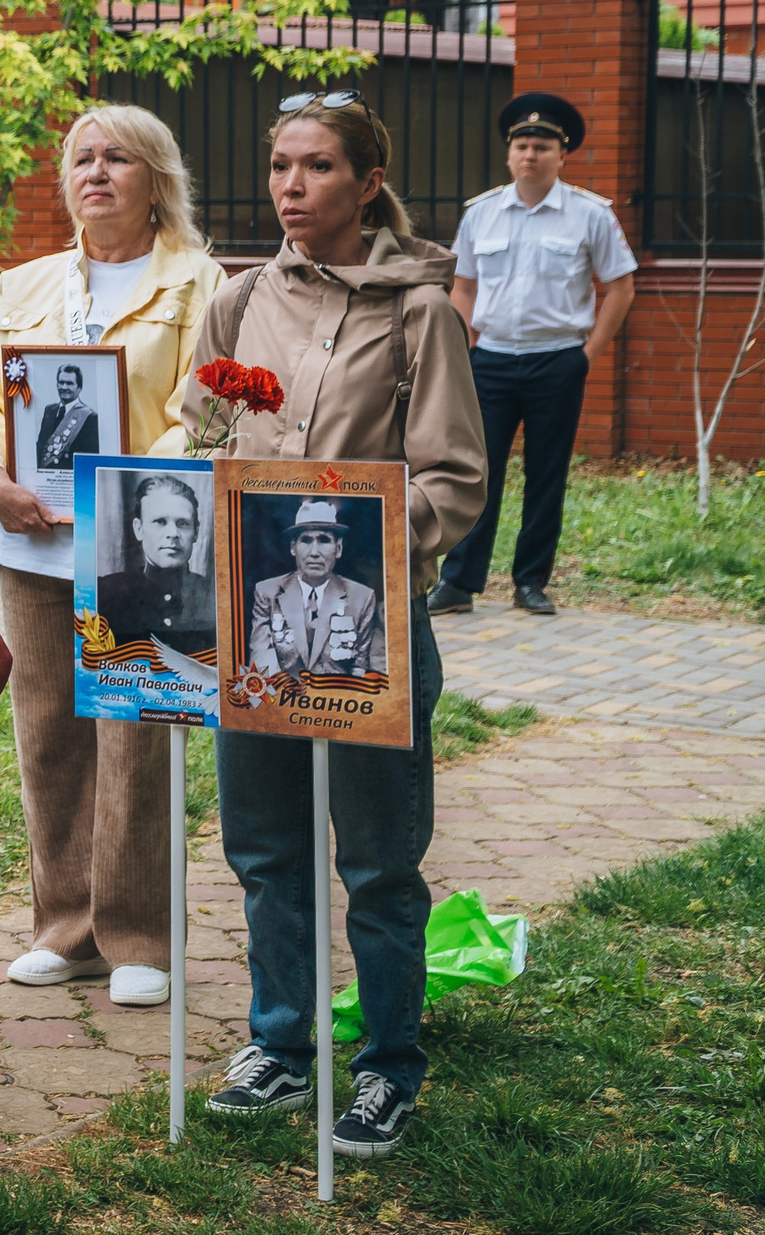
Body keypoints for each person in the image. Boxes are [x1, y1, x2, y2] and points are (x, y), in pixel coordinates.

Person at [185, 92, 486, 1160]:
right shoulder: (238, 299)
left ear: (366, 182)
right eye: (278, 167)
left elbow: (452, 479)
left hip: (371, 631)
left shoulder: (419, 310)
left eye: (314, 168)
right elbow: (203, 427)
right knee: (265, 850)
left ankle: (386, 1068)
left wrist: (363, 537)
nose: (289, 188)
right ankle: (280, 1043)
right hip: (258, 627)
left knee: (376, 863)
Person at [0, 104, 224, 1009]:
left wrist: (135, 496)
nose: (95, 172)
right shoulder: (23, 285)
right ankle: (65, 929)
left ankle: (139, 935)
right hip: (31, 537)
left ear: (155, 178)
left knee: (137, 731)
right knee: (50, 731)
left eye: (117, 159)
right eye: (81, 159)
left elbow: (206, 411)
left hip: (143, 538)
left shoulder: (200, 284)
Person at [429, 93, 636, 618]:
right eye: (521, 145)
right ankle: (459, 582)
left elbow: (621, 287)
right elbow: (465, 286)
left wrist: (586, 355)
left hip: (557, 361)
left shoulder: (590, 215)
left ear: (561, 155)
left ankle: (530, 582)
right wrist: (466, 345)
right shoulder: (482, 213)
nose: (530, 155)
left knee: (547, 474)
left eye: (542, 146)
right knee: (477, 473)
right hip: (491, 361)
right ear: (508, 153)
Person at [248, 500, 386, 677]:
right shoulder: (268, 592)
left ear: (338, 548)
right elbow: (262, 662)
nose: (314, 552)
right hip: (285, 697)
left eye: (323, 540)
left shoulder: (361, 597)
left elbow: (362, 667)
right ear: (293, 548)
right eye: (306, 540)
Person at [95, 475, 216, 657]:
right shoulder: (104, 593)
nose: (173, 534)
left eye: (183, 524)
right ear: (138, 529)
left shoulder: (215, 597)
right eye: (160, 522)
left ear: (196, 533)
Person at [35, 365, 99, 470]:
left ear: (79, 388)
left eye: (69, 383)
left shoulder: (90, 417)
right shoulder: (49, 410)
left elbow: (88, 458)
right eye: (61, 382)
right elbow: (41, 446)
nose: (64, 387)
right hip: (45, 479)